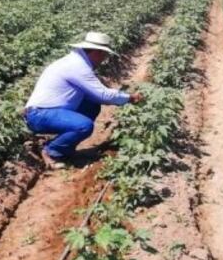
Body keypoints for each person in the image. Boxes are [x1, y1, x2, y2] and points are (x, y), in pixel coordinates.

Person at [23, 31, 143, 168]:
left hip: (48, 111)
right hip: (39, 115)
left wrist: (119, 96)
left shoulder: (74, 61)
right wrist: (129, 97)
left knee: (92, 104)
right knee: (84, 125)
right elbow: (102, 94)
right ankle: (51, 152)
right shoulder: (77, 67)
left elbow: (96, 96)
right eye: (104, 55)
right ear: (97, 53)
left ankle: (66, 150)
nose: (104, 59)